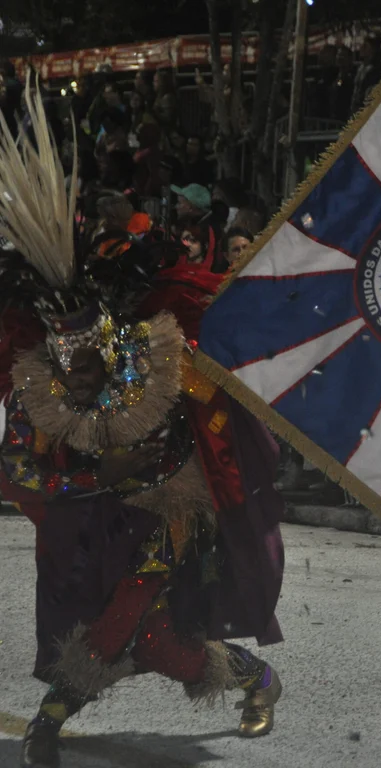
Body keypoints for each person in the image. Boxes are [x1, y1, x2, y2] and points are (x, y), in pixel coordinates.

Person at [0, 81, 285, 768]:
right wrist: (92, 478)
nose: (84, 368)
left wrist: (146, 474)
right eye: (70, 358)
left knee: (127, 626)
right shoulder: (34, 392)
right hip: (79, 528)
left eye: (90, 354)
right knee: (153, 646)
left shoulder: (152, 366)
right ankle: (251, 675)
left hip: (160, 520)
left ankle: (49, 721)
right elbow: (17, 470)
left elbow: (201, 430)